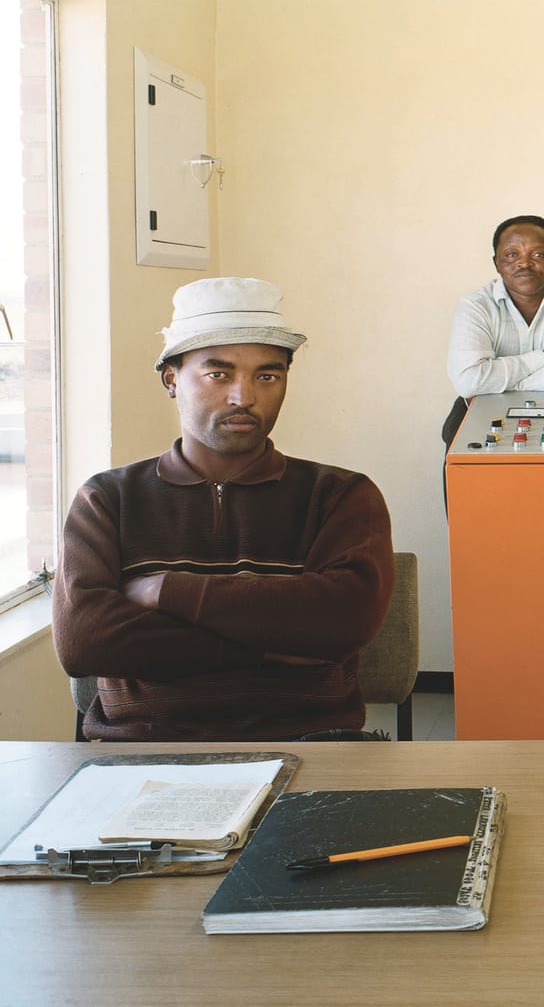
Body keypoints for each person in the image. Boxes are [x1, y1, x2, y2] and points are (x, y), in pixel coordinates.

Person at [53, 277, 395, 741]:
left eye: (267, 375)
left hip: (311, 746)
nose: (244, 397)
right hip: (142, 751)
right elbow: (84, 641)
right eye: (219, 374)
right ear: (172, 380)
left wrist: (168, 591)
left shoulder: (339, 495)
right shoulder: (108, 499)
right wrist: (273, 644)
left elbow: (344, 620)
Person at [444, 214, 544, 444]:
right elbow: (468, 382)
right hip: (480, 412)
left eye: (538, 254)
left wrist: (492, 382)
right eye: (511, 255)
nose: (523, 263)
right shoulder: (475, 305)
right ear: (496, 263)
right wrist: (542, 358)